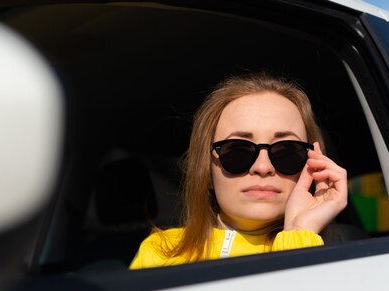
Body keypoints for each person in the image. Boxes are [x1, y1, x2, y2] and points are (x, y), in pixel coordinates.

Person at [130, 72, 347, 269]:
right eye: (237, 151)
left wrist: (299, 233)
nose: (263, 168)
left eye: (286, 152)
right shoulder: (159, 252)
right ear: (206, 168)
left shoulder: (345, 264)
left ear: (312, 164)